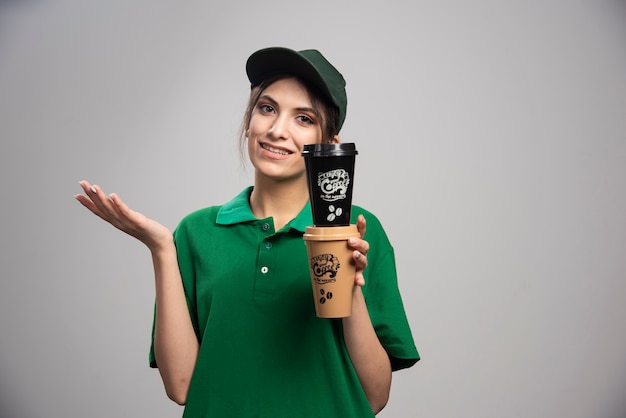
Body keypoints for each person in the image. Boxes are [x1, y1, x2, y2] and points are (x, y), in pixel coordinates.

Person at [75, 46, 419, 417]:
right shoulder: (196, 232)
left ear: (328, 145)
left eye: (303, 118)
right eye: (267, 108)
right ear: (248, 121)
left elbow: (375, 396)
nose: (276, 130)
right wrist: (161, 248)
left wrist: (347, 281)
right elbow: (181, 386)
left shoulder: (359, 233)